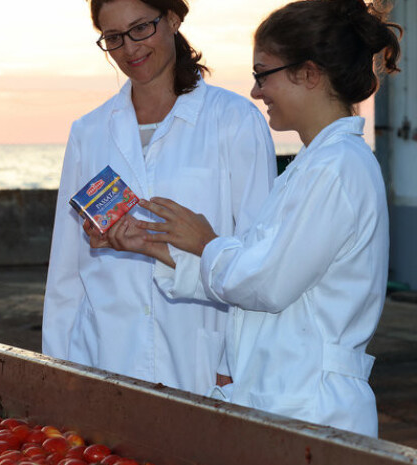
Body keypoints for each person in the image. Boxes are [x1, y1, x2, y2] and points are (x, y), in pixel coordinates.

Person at [113, 0, 401, 436]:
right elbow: (255, 266)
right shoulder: (315, 165)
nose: (256, 91)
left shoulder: (337, 168)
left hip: (312, 409)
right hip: (287, 398)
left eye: (262, 74)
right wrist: (160, 246)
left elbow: (267, 284)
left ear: (308, 73)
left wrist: (205, 241)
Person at [42, 0, 276, 395]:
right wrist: (56, 371)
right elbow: (67, 271)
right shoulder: (89, 131)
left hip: (201, 359)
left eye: (141, 29)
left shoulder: (234, 120)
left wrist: (233, 364)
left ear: (172, 18)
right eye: (113, 37)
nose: (129, 48)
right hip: (102, 355)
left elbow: (257, 253)